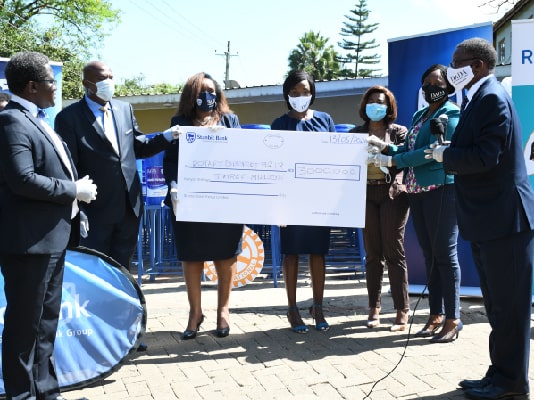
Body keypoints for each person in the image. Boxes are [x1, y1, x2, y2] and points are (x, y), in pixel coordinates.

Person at [426, 38, 534, 400]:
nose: (451, 69)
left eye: (458, 63)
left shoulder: (490, 98)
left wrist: (447, 156)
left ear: (479, 66)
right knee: (498, 305)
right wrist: (450, 152)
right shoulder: (476, 97)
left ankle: (512, 383)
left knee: (510, 306)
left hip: (506, 220)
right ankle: (499, 374)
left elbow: (486, 156)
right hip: (491, 219)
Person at [0, 51, 96, 400]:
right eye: (51, 81)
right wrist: (74, 190)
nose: (56, 87)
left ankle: (46, 392)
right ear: (31, 86)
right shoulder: (11, 122)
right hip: (29, 244)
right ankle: (21, 395)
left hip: (52, 240)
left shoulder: (39, 119)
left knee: (45, 325)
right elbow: (22, 179)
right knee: (24, 329)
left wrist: (74, 201)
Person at [55, 61, 179, 270]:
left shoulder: (124, 109)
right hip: (95, 210)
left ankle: (123, 303)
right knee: (95, 268)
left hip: (129, 208)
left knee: (122, 268)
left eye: (111, 77)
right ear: (87, 83)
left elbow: (139, 147)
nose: (109, 83)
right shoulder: (69, 117)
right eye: (103, 79)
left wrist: (165, 137)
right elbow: (68, 167)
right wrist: (78, 208)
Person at [369, 64, 461, 342]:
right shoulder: (422, 114)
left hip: (442, 189)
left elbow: (431, 152)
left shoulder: (452, 114)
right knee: (431, 255)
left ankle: (453, 318)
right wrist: (385, 147)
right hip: (417, 191)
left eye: (436, 83)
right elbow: (410, 149)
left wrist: (393, 160)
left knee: (445, 254)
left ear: (448, 86)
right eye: (426, 84)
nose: (430, 88)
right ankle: (435, 315)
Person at [163, 72, 243, 339]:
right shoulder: (179, 122)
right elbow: (171, 159)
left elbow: (244, 156)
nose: (206, 96)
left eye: (211, 90)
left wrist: (227, 141)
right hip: (189, 200)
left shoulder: (230, 120)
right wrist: (173, 186)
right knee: (192, 256)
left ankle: (223, 311)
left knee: (225, 255)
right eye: (200, 92)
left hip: (224, 200)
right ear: (190, 96)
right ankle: (194, 313)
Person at [271, 70, 335, 333]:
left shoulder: (325, 120)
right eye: (295, 93)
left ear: (313, 93)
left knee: (318, 252)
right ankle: (292, 309)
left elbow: (335, 156)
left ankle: (317, 307)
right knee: (292, 253)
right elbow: (274, 164)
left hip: (320, 198)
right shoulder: (279, 124)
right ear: (287, 95)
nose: (301, 97)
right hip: (290, 199)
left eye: (306, 92)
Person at [350, 85, 410, 331]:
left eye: (381, 101)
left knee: (394, 251)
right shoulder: (355, 133)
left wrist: (395, 177)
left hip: (391, 194)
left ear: (389, 107)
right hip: (364, 194)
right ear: (365, 106)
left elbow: (407, 158)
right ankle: (374, 308)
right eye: (372, 100)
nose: (376, 104)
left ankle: (401, 310)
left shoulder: (399, 132)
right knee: (373, 254)